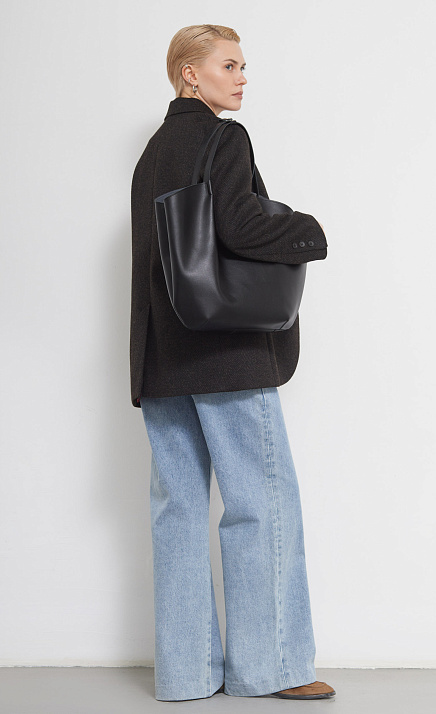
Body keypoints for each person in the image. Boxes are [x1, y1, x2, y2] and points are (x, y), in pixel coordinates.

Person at [130, 24, 336, 702]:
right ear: (189, 73)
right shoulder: (223, 137)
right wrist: (307, 229)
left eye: (243, 66)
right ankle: (271, 668)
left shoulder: (154, 151)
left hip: (163, 356)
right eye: (228, 65)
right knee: (260, 501)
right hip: (226, 353)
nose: (242, 77)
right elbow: (241, 226)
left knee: (179, 511)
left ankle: (186, 674)